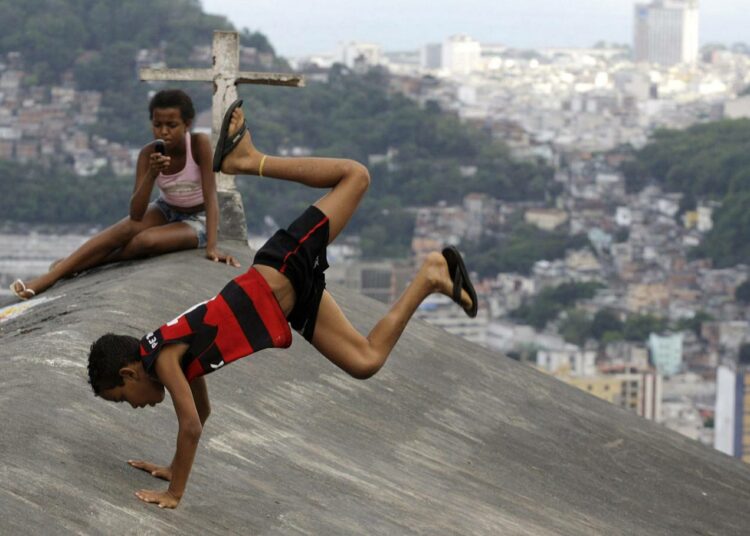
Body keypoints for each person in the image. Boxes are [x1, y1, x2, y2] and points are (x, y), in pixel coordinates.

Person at [87, 100, 478, 509]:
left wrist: (174, 492)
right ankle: (432, 275)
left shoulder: (164, 359)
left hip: (280, 270)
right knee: (365, 361)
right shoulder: (170, 360)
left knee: (355, 176)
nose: (133, 407)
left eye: (122, 398)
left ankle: (249, 159)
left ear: (129, 372)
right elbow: (200, 415)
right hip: (288, 305)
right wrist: (173, 465)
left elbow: (190, 428)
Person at [9, 89, 238, 300]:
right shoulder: (147, 153)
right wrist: (152, 173)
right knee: (123, 230)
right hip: (166, 208)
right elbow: (136, 214)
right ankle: (47, 279)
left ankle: (76, 266)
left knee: (144, 241)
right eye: (158, 125)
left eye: (172, 125)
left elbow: (210, 196)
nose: (164, 131)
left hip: (197, 219)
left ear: (187, 125)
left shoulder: (199, 145)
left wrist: (211, 246)